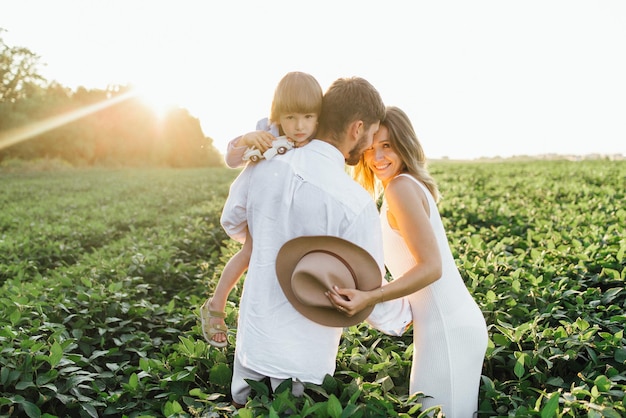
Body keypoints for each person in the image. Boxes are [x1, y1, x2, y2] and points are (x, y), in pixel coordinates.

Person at [219, 77, 411, 407]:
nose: (369, 146)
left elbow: (232, 221)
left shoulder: (265, 163)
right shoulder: (356, 202)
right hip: (304, 365)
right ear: (358, 127)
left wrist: (271, 237)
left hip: (252, 350)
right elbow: (368, 288)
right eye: (371, 135)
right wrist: (407, 318)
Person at [327, 106, 488, 417]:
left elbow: (431, 266)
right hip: (443, 326)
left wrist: (372, 297)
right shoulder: (401, 187)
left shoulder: (401, 187)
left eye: (387, 145)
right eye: (371, 148)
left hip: (448, 330)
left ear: (404, 144)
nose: (378, 157)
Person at [200, 72, 322, 347]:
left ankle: (283, 326)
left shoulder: (318, 142)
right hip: (261, 203)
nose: (299, 126)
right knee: (251, 252)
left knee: (289, 258)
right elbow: (232, 159)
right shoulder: (267, 132)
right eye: (290, 117)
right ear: (278, 115)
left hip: (291, 208)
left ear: (318, 116)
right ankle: (216, 303)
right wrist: (246, 139)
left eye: (307, 117)